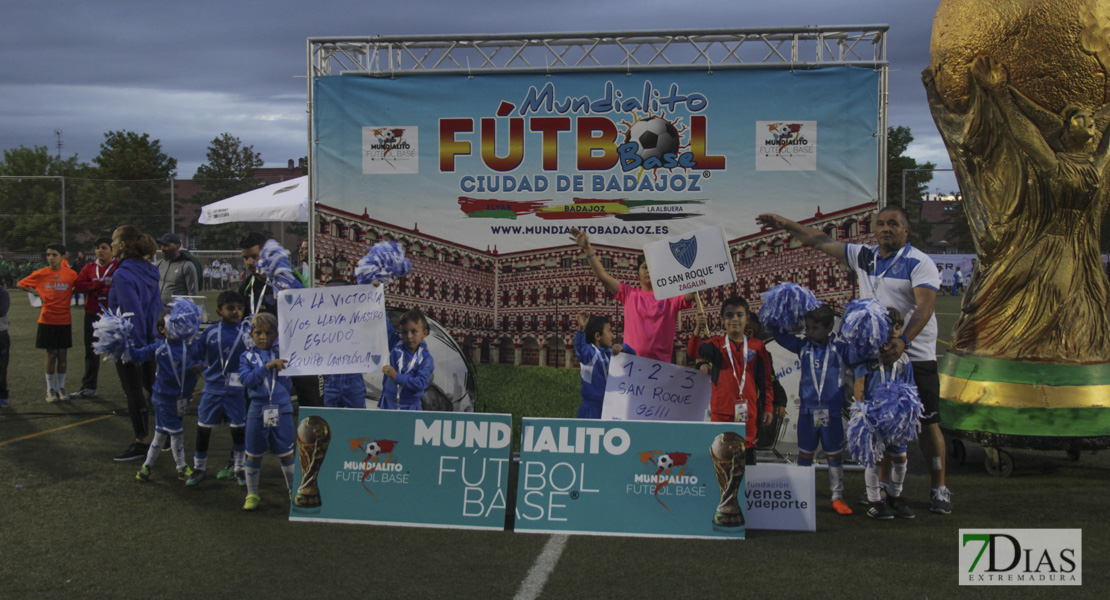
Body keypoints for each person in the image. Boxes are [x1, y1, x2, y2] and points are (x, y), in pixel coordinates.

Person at [757, 206, 951, 514]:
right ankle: (881, 492)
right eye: (881, 224)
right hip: (873, 357)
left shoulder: (919, 262)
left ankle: (939, 487)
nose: (886, 228)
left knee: (927, 423)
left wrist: (904, 341)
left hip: (913, 354)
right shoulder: (864, 256)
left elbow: (926, 307)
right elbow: (819, 240)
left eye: (894, 224)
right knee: (876, 422)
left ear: (906, 231)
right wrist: (784, 223)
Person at [769, 304, 854, 515]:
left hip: (831, 412)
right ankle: (802, 493)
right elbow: (779, 337)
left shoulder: (840, 348)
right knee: (805, 453)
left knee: (834, 455)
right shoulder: (802, 345)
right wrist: (776, 313)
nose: (808, 332)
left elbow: (861, 352)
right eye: (806, 327)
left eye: (814, 328)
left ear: (828, 328)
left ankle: (837, 496)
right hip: (807, 412)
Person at [570, 227, 694, 363]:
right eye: (645, 267)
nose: (648, 271)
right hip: (631, 367)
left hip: (661, 369)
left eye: (653, 268)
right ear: (638, 273)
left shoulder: (670, 298)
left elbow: (692, 293)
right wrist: (587, 248)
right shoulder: (629, 294)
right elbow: (602, 275)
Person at [687, 296, 774, 465]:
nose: (734, 319)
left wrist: (769, 406)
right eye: (729, 315)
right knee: (722, 461)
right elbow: (693, 352)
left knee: (746, 460)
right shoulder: (716, 344)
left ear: (747, 318)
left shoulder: (758, 346)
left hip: (747, 414)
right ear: (722, 319)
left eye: (739, 315)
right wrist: (697, 329)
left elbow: (766, 381)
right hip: (721, 414)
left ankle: (744, 491)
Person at [238, 232, 319, 407]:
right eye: (246, 258)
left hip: (294, 353)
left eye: (254, 256)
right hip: (264, 355)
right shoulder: (247, 286)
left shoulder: (289, 278)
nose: (250, 262)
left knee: (309, 399)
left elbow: (310, 310)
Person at [852, 308, 916, 520]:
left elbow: (910, 388)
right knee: (875, 459)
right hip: (873, 417)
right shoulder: (868, 355)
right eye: (888, 326)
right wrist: (861, 411)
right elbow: (859, 384)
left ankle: (894, 496)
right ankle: (874, 501)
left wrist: (907, 414)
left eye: (897, 327)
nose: (893, 331)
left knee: (900, 457)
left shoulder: (905, 359)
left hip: (895, 419)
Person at [109, 226, 164, 462]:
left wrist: (137, 349)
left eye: (113, 240)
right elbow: (155, 309)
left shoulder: (122, 274)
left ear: (122, 245)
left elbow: (132, 313)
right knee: (153, 388)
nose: (111, 245)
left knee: (134, 391)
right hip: (152, 337)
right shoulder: (150, 270)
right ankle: (168, 435)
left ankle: (141, 441)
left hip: (132, 341)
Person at [186, 290, 250, 487]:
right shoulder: (210, 332)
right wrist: (196, 363)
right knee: (203, 429)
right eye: (230, 308)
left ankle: (239, 468)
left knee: (238, 430)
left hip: (237, 390)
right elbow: (197, 353)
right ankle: (199, 468)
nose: (236, 312)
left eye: (240, 308)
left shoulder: (248, 333)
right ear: (218, 311)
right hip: (212, 389)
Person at [132, 309, 203, 483]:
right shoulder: (159, 347)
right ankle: (181, 467)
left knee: (160, 433)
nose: (175, 328)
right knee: (176, 432)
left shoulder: (190, 346)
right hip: (163, 398)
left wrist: (200, 366)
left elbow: (203, 360)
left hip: (182, 398)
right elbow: (137, 355)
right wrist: (121, 343)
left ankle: (146, 467)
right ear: (161, 329)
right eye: (171, 325)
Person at [238, 312, 297, 511]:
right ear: (251, 335)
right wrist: (267, 366)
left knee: (287, 453)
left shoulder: (285, 351)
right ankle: (252, 493)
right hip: (257, 410)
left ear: (276, 334)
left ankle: (293, 491)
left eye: (269, 333)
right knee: (253, 454)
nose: (263, 337)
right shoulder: (245, 356)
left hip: (282, 409)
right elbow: (246, 380)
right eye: (258, 333)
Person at [18, 243, 78, 403]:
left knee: (63, 354)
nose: (50, 258)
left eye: (54, 255)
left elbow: (79, 286)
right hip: (47, 319)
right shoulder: (41, 273)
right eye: (48, 255)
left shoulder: (71, 274)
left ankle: (61, 388)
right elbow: (21, 284)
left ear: (63, 256)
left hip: (64, 320)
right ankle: (50, 389)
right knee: (51, 354)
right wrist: (37, 292)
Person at [70, 237, 118, 399]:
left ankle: (131, 387)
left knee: (121, 351)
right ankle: (89, 387)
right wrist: (99, 285)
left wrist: (97, 288)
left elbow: (116, 288)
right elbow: (79, 285)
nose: (99, 251)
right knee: (91, 350)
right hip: (92, 314)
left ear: (112, 250)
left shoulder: (118, 267)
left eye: (104, 247)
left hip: (113, 316)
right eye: (97, 248)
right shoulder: (89, 267)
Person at [573, 311, 635, 419]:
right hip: (592, 410)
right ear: (598, 336)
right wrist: (581, 331)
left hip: (610, 407)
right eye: (609, 331)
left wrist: (624, 348)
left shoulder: (610, 352)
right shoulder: (591, 354)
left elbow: (633, 356)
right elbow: (581, 350)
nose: (612, 335)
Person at [379, 309, 434, 410]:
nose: (409, 336)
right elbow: (384, 325)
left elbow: (420, 383)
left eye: (414, 332)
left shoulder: (426, 359)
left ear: (424, 333)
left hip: (410, 407)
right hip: (388, 403)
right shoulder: (396, 345)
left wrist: (396, 376)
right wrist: (377, 301)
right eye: (404, 332)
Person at [156, 233, 198, 307]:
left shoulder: (187, 266)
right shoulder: (158, 265)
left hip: (176, 312)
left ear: (177, 246)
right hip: (158, 310)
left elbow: (193, 295)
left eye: (166, 245)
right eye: (161, 245)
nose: (162, 248)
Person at [0, 286, 9, 408]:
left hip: (1, 334)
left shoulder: (2, 292)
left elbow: (2, 311)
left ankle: (2, 395)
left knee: (1, 368)